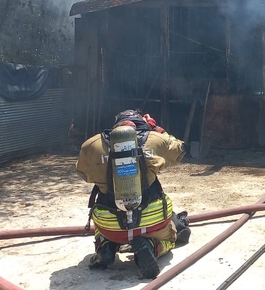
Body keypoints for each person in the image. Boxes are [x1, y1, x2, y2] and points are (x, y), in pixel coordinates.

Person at [75, 110, 191, 279]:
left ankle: (106, 246)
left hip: (110, 224)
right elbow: (181, 149)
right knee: (170, 236)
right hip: (151, 220)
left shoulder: (91, 145)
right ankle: (151, 246)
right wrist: (156, 129)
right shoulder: (155, 139)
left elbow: (82, 172)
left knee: (102, 228)